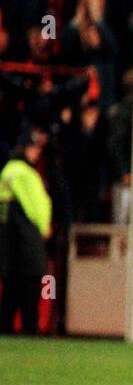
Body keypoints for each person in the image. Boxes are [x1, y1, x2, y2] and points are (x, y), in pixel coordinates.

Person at [0, 130, 53, 335]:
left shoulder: (6, 171)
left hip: (7, 237)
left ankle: (6, 329)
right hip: (25, 235)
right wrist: (43, 225)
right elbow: (35, 203)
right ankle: (30, 329)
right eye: (33, 148)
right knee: (30, 284)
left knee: (11, 288)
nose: (36, 152)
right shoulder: (23, 173)